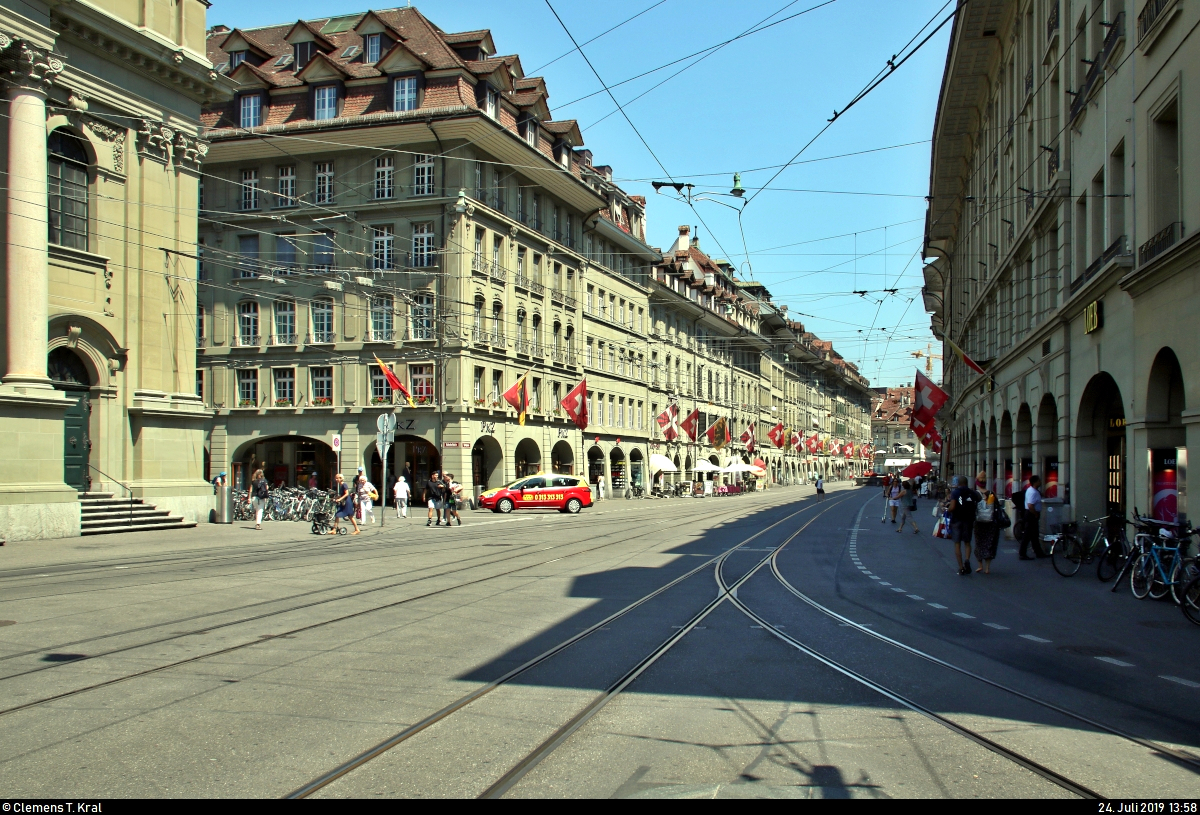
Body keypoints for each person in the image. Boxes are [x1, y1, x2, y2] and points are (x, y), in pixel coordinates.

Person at [947, 475, 980, 575]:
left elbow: (952, 507)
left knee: (957, 543)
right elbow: (979, 499)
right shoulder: (972, 492)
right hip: (969, 520)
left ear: (958, 483)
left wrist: (947, 510)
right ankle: (967, 560)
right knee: (967, 542)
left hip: (957, 519)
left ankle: (961, 567)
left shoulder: (955, 492)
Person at [973, 473, 1000, 574]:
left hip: (979, 522)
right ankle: (987, 567)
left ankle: (980, 565)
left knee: (979, 543)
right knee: (989, 543)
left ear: (977, 483)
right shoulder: (991, 494)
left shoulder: (975, 494)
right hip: (991, 523)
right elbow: (997, 507)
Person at [1019, 474, 1047, 559]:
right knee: (1028, 535)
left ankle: (1038, 552)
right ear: (1035, 482)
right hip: (1031, 514)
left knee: (1034, 535)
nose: (1040, 482)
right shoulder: (1033, 492)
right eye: (1039, 481)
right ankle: (1022, 553)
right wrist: (1035, 514)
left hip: (1031, 514)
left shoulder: (1032, 490)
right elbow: (1030, 505)